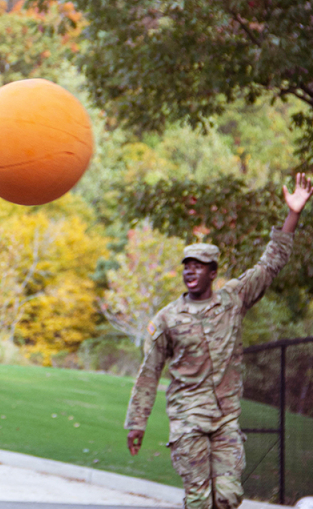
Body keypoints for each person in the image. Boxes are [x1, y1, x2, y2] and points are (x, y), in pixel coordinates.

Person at [125, 173, 313, 509]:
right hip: (188, 420)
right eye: (187, 267)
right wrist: (136, 423)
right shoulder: (168, 318)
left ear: (214, 272)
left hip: (225, 418)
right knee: (199, 501)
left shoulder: (233, 300)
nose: (191, 272)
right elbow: (149, 373)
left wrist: (293, 214)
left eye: (200, 267)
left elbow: (270, 264)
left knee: (227, 497)